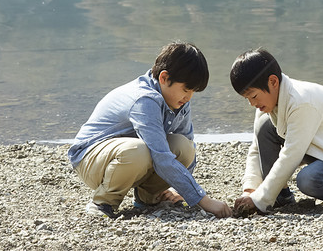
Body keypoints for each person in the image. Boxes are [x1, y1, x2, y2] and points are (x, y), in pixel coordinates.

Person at [68, 41, 232, 219]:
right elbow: (161, 156)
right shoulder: (145, 99)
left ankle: (149, 198)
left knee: (183, 146)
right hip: (89, 159)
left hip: (128, 158)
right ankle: (102, 203)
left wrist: (177, 190)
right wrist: (204, 201)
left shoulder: (180, 101)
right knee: (138, 150)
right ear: (164, 78)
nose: (189, 97)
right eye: (186, 89)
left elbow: (186, 148)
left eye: (193, 91)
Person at [230, 48, 323, 216]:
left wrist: (259, 200)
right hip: (320, 147)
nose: (251, 103)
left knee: (308, 180)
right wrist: (250, 190)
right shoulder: (267, 101)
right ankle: (279, 196)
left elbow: (291, 154)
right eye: (247, 99)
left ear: (273, 82)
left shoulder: (301, 102)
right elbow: (257, 148)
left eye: (253, 96)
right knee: (264, 126)